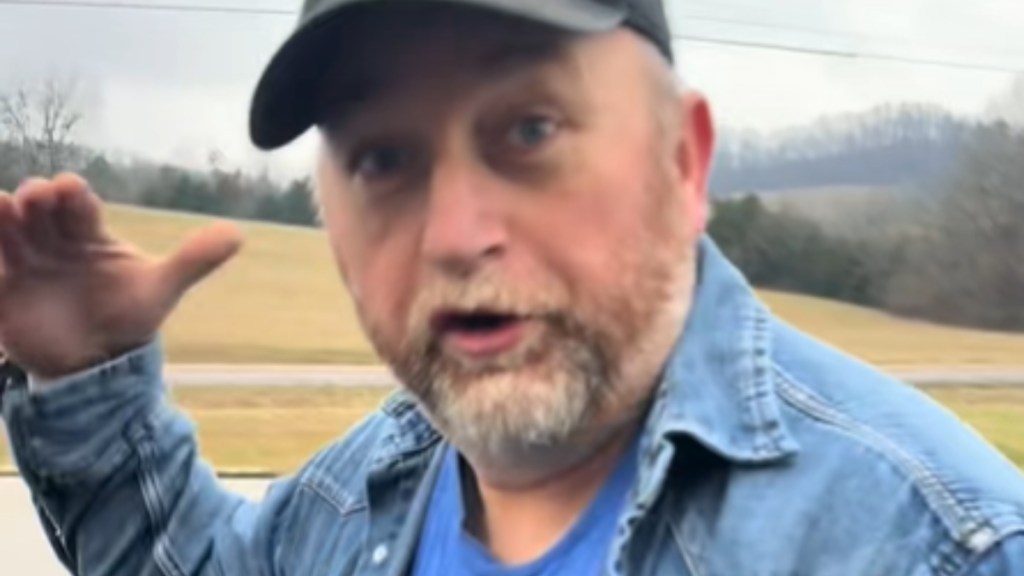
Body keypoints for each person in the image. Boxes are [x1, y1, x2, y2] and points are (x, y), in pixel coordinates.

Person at [1, 0, 1022, 574]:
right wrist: (88, 376)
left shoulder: (932, 548)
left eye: (529, 131)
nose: (454, 235)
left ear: (683, 164)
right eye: (383, 159)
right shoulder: (347, 503)